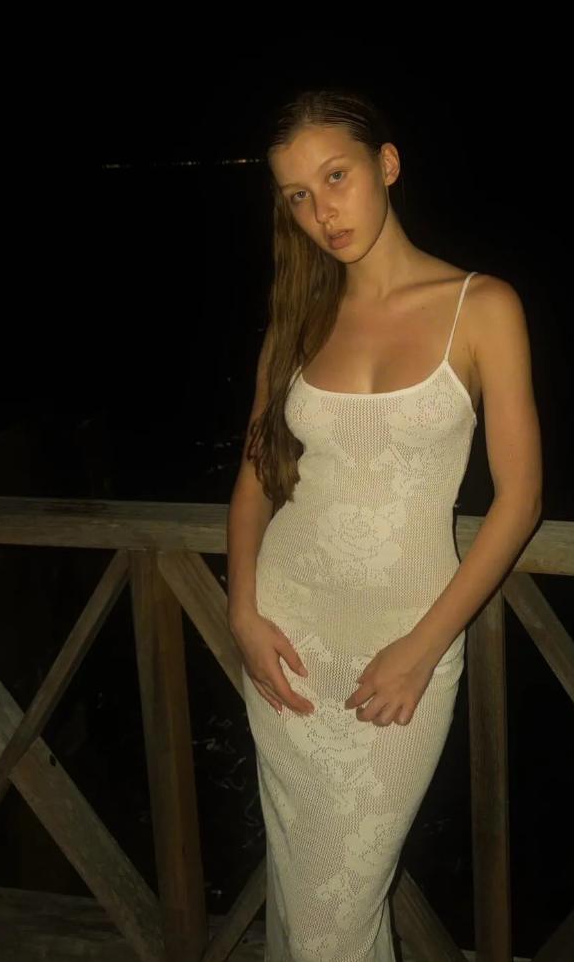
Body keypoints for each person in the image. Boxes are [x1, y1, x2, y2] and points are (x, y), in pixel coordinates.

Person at [227, 88, 543, 961]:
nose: (322, 211)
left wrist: (424, 648)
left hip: (406, 649)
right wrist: (241, 611)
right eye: (298, 194)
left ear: (387, 165)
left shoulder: (483, 306)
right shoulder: (297, 320)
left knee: (334, 915)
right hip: (287, 646)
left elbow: (520, 500)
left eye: (336, 177)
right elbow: (255, 481)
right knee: (307, 911)